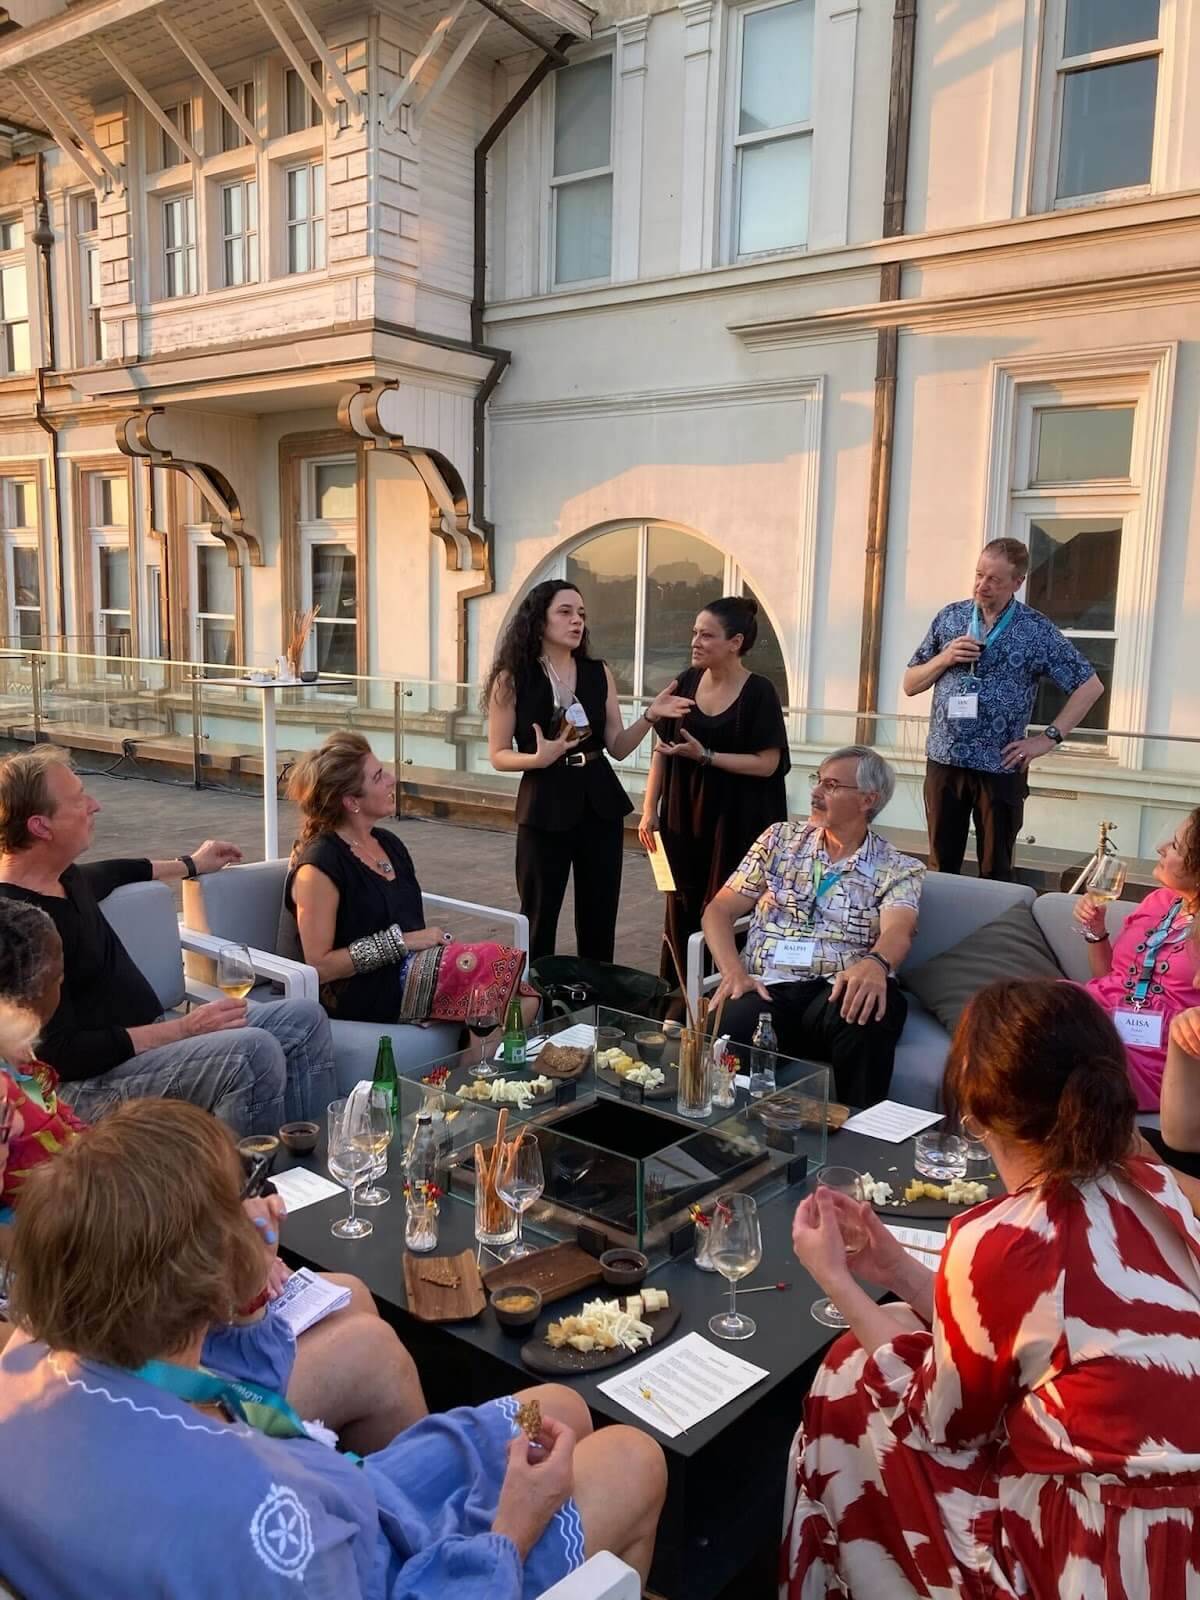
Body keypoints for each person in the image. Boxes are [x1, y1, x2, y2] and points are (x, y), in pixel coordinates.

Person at [0, 1097, 667, 1598]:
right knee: (635, 1457)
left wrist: (242, 1285)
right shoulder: (260, 1516)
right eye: (240, 1197)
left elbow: (235, 1393)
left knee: (555, 1410)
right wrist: (515, 1524)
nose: (257, 1205)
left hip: (353, 1501)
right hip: (412, 1571)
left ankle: (521, 1464)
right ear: (203, 1268)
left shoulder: (38, 1360)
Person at [785, 978, 1200, 1600]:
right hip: (1177, 1538)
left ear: (977, 1117)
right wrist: (896, 1269)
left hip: (1093, 1553)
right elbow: (1019, 1329)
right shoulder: (1152, 1185)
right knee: (895, 1325)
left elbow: (942, 1426)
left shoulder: (1008, 1236)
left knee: (849, 1375)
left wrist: (838, 1282)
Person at [0, 897, 428, 1455]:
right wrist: (215, 1248)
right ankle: (314, 1472)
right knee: (370, 1345)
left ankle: (320, 1458)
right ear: (34, 987)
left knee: (348, 1294)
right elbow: (51, 1235)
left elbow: (81, 1161)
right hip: (100, 1313)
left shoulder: (22, 1066)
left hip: (113, 1264)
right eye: (61, 973)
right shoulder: (12, 1100)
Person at [0, 746, 335, 1134]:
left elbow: (113, 872)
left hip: (153, 1036)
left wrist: (191, 864)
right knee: (250, 1054)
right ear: (41, 827)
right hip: (87, 1086)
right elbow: (59, 1056)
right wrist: (184, 1030)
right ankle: (243, 1187)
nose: (94, 805)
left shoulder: (63, 878)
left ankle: (310, 1169)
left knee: (303, 1019)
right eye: (78, 799)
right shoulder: (17, 926)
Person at [485, 578, 692, 962]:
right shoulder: (512, 678)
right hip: (544, 803)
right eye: (564, 612)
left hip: (599, 801)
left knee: (599, 915)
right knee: (538, 914)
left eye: (581, 613)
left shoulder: (598, 672)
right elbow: (498, 754)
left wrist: (649, 715)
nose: (576, 621)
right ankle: (534, 1005)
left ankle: (595, 1004)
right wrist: (536, 759)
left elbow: (618, 746)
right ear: (539, 620)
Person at [702, 747, 923, 1107]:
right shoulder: (779, 840)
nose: (816, 792)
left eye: (832, 785)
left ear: (868, 799)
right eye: (817, 780)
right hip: (767, 986)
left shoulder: (897, 867)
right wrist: (732, 973)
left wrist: (877, 964)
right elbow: (719, 910)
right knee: (732, 1023)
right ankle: (728, 1138)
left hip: (836, 991)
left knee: (868, 1010)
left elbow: (899, 930)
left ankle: (862, 1140)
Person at [285, 732, 538, 1030]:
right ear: (352, 801)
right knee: (491, 976)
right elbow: (319, 966)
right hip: (359, 989)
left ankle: (475, 1070)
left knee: (523, 995)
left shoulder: (388, 843)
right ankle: (472, 1071)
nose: (391, 779)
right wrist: (402, 942)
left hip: (413, 969)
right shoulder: (320, 866)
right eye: (378, 777)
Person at [903, 536, 1104, 880]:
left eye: (994, 579)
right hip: (945, 761)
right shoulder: (950, 618)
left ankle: (994, 934)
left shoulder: (1036, 629)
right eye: (979, 574)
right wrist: (945, 658)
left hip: (1000, 766)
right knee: (940, 865)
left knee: (997, 870)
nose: (982, 585)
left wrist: (1047, 739)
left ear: (1017, 582)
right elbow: (910, 683)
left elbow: (1090, 686)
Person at [638, 596, 790, 979]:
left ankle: (727, 994)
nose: (695, 641)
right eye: (694, 633)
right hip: (683, 816)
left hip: (739, 822)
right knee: (680, 904)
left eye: (707, 635)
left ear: (735, 642)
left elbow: (768, 763)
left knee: (728, 906)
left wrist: (707, 756)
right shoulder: (685, 682)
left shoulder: (759, 692)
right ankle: (678, 1001)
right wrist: (648, 809)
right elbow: (663, 749)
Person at [1073, 806, 1200, 1110]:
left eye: (1175, 846)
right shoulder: (1158, 901)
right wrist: (1096, 931)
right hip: (1105, 1015)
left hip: (1157, 1053)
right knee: (1019, 1008)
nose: (1161, 848)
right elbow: (1110, 978)